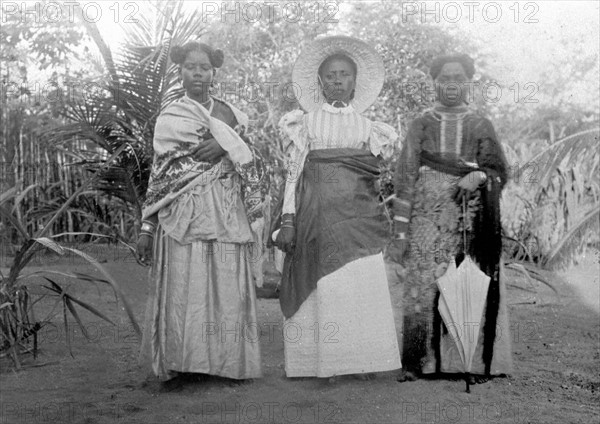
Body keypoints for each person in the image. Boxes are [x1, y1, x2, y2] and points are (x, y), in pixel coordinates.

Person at [274, 35, 402, 378]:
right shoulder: (305, 122)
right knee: (326, 286)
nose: (337, 81)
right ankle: (323, 364)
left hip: (360, 220)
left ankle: (363, 362)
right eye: (330, 75)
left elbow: (372, 180)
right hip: (317, 214)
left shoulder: (370, 127)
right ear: (319, 81)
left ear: (355, 81)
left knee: (358, 283)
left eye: (344, 74)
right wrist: (288, 218)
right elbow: (293, 173)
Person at [137, 41, 262, 386]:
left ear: (213, 72)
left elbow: (252, 158)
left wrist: (226, 145)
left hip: (224, 208)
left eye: (204, 67)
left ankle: (226, 363)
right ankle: (183, 363)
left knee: (224, 283)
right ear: (180, 71)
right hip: (183, 212)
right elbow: (161, 172)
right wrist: (147, 228)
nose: (197, 73)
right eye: (191, 67)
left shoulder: (231, 115)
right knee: (185, 284)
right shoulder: (171, 117)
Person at [389, 53, 513, 382]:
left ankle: (469, 362)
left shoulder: (480, 124)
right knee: (422, 283)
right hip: (426, 216)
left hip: (469, 212)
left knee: (468, 278)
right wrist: (401, 232)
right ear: (435, 82)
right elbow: (405, 177)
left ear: (469, 81)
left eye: (458, 77)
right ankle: (419, 363)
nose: (451, 84)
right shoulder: (421, 123)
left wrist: (481, 178)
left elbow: (500, 170)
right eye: (444, 78)